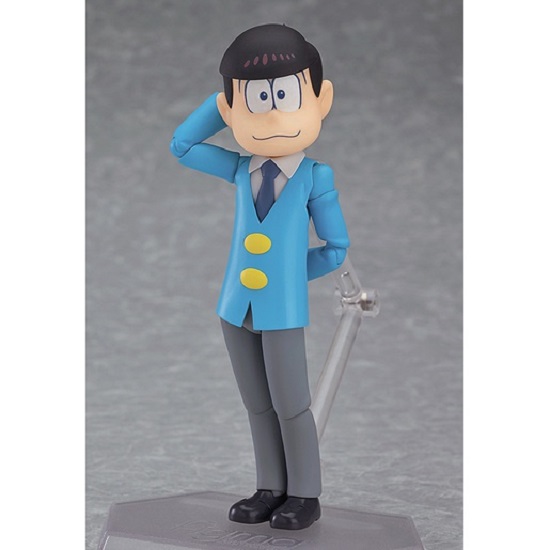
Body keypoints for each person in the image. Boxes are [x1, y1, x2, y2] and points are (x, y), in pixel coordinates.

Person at [170, 23, 349, 530]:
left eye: (285, 96)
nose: (270, 114)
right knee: (257, 404)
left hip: (282, 310)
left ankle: (305, 493)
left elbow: (336, 249)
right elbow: (182, 145)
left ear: (320, 99)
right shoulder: (239, 168)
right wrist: (224, 103)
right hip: (235, 307)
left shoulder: (314, 176)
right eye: (255, 100)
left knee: (292, 404)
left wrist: (290, 279)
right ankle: (270, 486)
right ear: (232, 110)